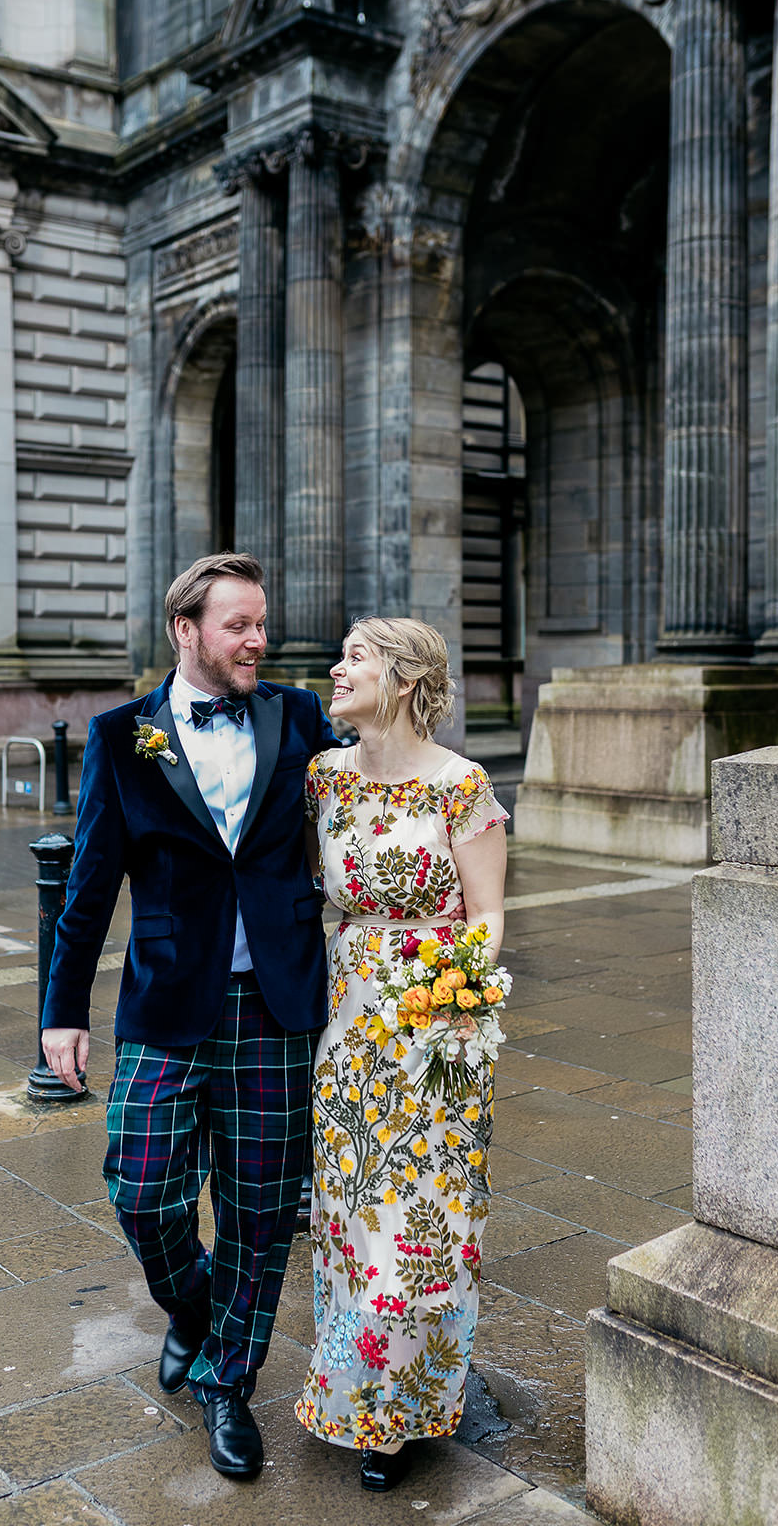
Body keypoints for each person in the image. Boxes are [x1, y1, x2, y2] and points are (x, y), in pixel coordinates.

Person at [41, 551, 338, 1482]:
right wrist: (61, 1011)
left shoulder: (297, 714)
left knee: (257, 1212)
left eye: (261, 623)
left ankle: (226, 1381)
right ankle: (194, 1306)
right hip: (169, 998)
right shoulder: (123, 736)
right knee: (141, 1187)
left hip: (278, 1002)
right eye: (238, 625)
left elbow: (368, 801)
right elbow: (87, 887)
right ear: (185, 631)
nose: (258, 640)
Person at [294, 616, 508, 1492]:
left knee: (425, 1225)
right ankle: (356, 1397)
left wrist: (450, 1001)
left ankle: (411, 1402)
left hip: (436, 1026)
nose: (335, 670)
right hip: (348, 1022)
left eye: (355, 657)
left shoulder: (460, 784)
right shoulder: (322, 779)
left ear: (406, 678)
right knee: (348, 1216)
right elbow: (308, 890)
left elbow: (488, 917)